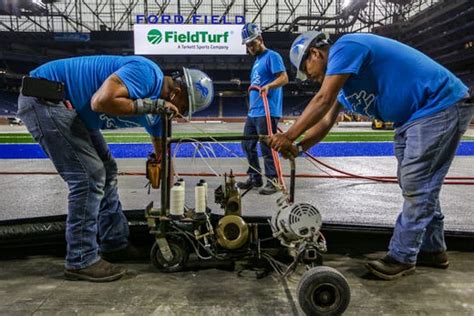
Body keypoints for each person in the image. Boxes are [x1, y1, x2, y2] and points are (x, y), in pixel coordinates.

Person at [268, 31, 473, 280]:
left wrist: (288, 136)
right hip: (412, 118)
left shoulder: (346, 47)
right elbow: (324, 123)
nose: (310, 77)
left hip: (438, 105)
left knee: (417, 183)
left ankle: (402, 256)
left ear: (315, 53)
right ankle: (432, 249)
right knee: (418, 183)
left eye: (307, 69)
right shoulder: (342, 86)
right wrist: (299, 148)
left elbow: (322, 100)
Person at [17, 55, 214, 282]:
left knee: (108, 170)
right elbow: (100, 102)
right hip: (47, 98)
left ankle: (114, 243)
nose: (178, 115)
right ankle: (81, 259)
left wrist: (172, 207)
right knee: (89, 176)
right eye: (183, 108)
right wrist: (155, 104)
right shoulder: (147, 73)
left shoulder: (161, 113)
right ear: (175, 94)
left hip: (71, 109)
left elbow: (164, 157)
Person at [236, 22, 289, 195]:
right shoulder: (257, 62)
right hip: (254, 112)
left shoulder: (271, 56)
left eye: (252, 43)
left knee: (266, 147)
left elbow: (284, 78)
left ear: (260, 39)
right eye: (248, 45)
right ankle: (255, 177)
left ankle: (273, 181)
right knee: (247, 144)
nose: (250, 47)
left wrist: (269, 87)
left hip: (267, 111)